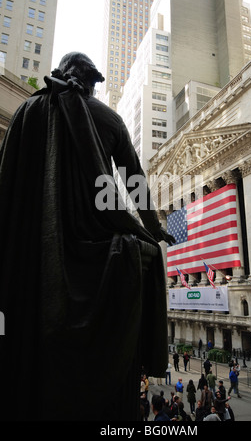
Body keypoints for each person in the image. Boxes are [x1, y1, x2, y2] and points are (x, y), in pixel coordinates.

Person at [0, 52, 176, 421]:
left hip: (37, 249)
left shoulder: (28, 111)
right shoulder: (109, 118)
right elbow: (135, 181)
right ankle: (146, 355)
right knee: (149, 255)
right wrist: (155, 229)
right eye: (94, 85)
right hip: (96, 240)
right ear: (91, 84)